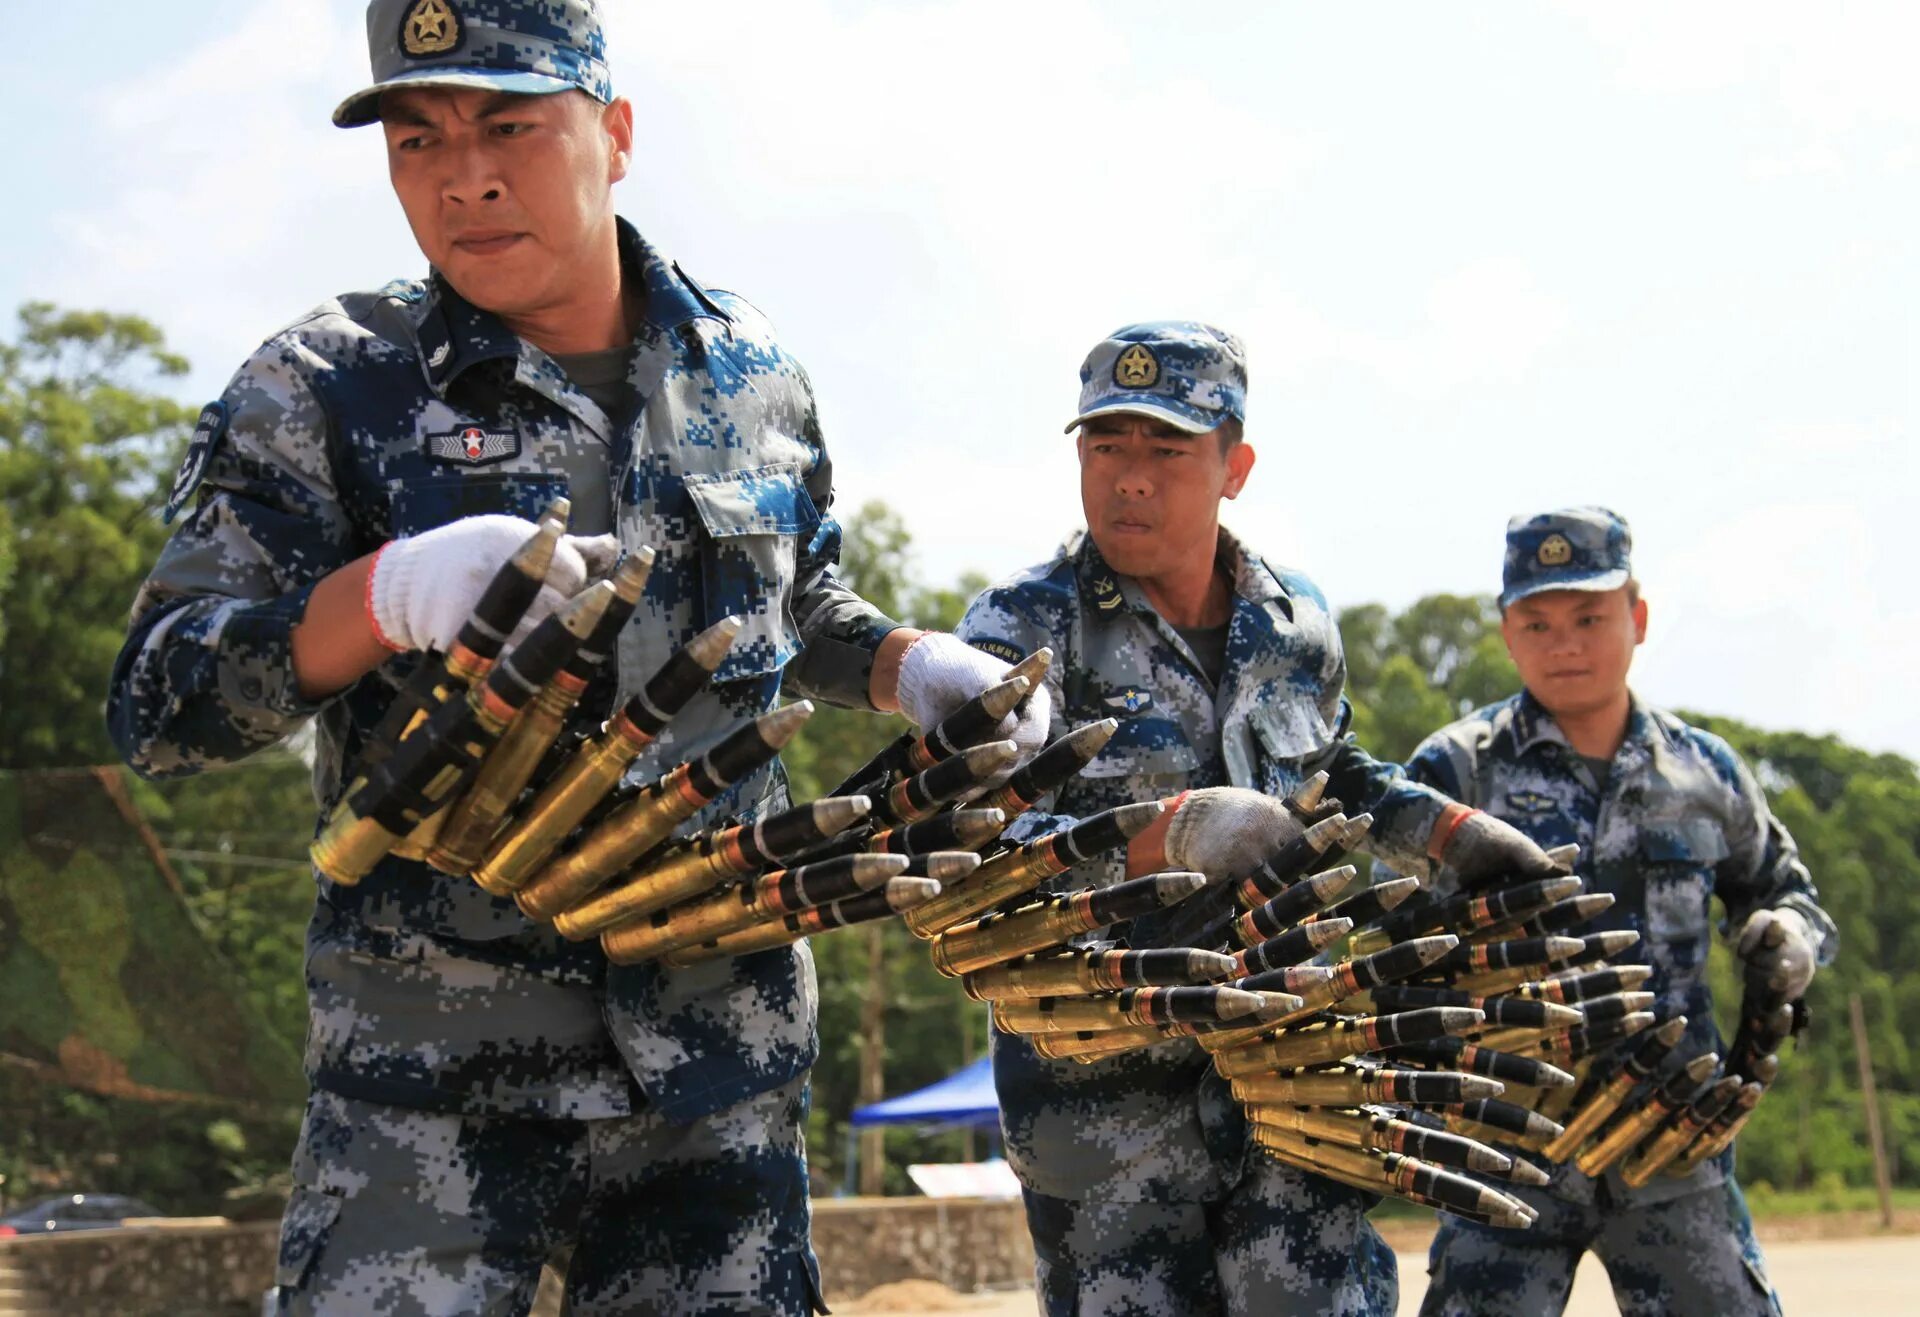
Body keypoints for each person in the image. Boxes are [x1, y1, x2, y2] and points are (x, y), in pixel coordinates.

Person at [105, 3, 1044, 1313]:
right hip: (427, 1086)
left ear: (614, 132)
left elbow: (793, 601)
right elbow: (160, 701)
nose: (462, 174)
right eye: (416, 135)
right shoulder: (326, 381)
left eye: (509, 125)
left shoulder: (750, 372)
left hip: (717, 1068)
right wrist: (381, 596)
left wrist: (905, 667)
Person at [953, 322, 1564, 1316]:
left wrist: (1445, 832)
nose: (1130, 478)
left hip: (1296, 1088)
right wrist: (1172, 833)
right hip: (1108, 1116)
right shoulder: (1018, 629)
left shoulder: (1293, 622)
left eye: (1167, 449)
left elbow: (1333, 776)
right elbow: (965, 863)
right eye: (1106, 445)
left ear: (1234, 466)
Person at [1397, 507, 1835, 1317]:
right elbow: (1395, 944)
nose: (1565, 642)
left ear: (1637, 616)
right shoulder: (1450, 772)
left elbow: (1782, 890)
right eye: (1539, 620)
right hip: (1508, 1149)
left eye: (1590, 616)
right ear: (1506, 631)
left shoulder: (1706, 771)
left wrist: (1789, 941)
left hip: (1674, 1143)